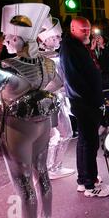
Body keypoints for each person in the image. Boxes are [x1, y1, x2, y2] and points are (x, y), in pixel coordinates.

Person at [0, 3, 59, 218]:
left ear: (18, 39)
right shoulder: (48, 62)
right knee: (41, 173)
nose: (4, 41)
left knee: (22, 181)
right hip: (41, 124)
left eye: (7, 37)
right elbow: (58, 84)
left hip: (17, 128)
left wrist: (9, 96)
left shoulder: (5, 67)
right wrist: (35, 92)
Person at [59, 16, 109, 198]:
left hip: (85, 102)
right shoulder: (69, 47)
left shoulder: (76, 45)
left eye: (88, 29)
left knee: (85, 142)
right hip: (85, 103)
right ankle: (90, 185)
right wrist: (93, 101)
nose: (87, 32)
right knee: (89, 143)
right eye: (83, 30)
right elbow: (74, 79)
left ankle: (84, 180)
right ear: (73, 29)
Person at [37, 16, 75, 180]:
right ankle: (51, 167)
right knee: (62, 134)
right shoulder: (43, 58)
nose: (59, 39)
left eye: (59, 36)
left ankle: (50, 167)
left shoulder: (50, 55)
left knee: (59, 134)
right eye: (55, 37)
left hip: (56, 99)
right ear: (44, 39)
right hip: (51, 100)